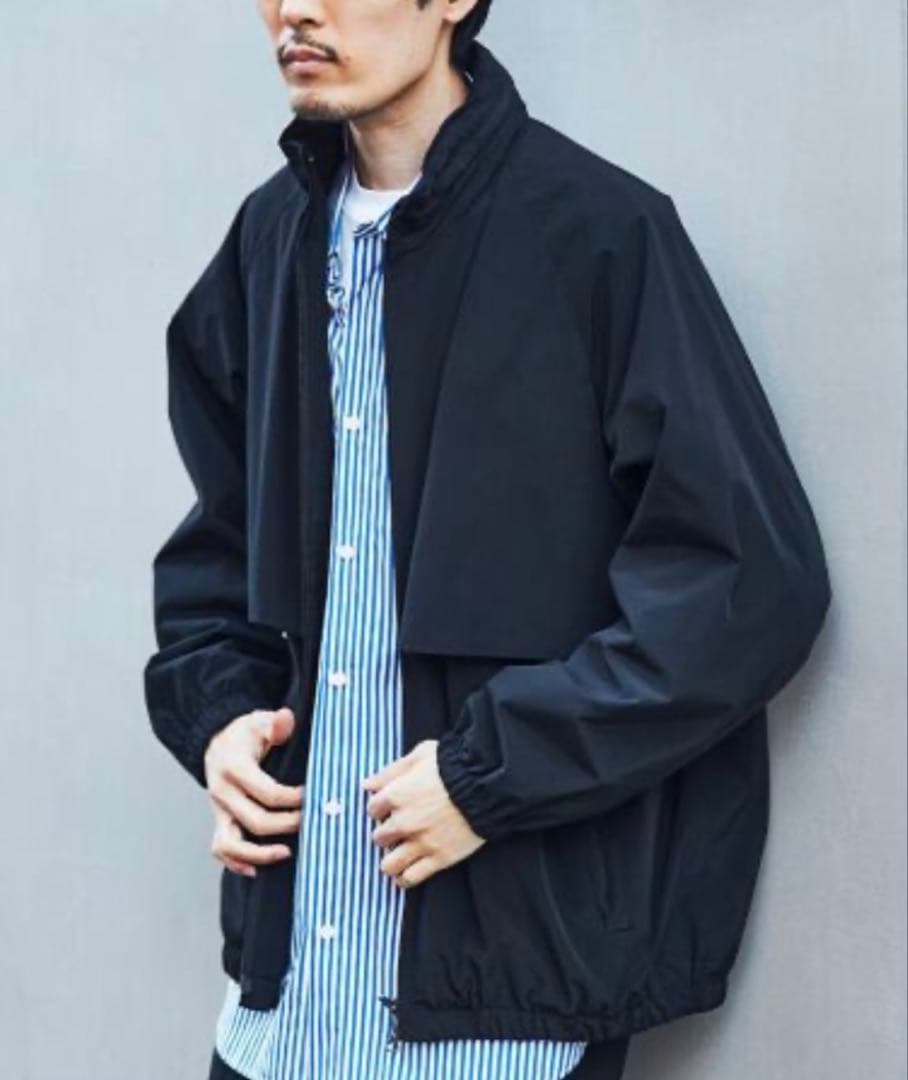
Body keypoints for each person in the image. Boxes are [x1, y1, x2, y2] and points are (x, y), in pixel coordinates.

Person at [142, 1, 832, 1078]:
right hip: (282, 1017)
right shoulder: (268, 242)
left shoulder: (596, 234)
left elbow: (746, 582)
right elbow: (220, 550)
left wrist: (491, 774)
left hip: (502, 1020)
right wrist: (222, 721)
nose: (296, 10)